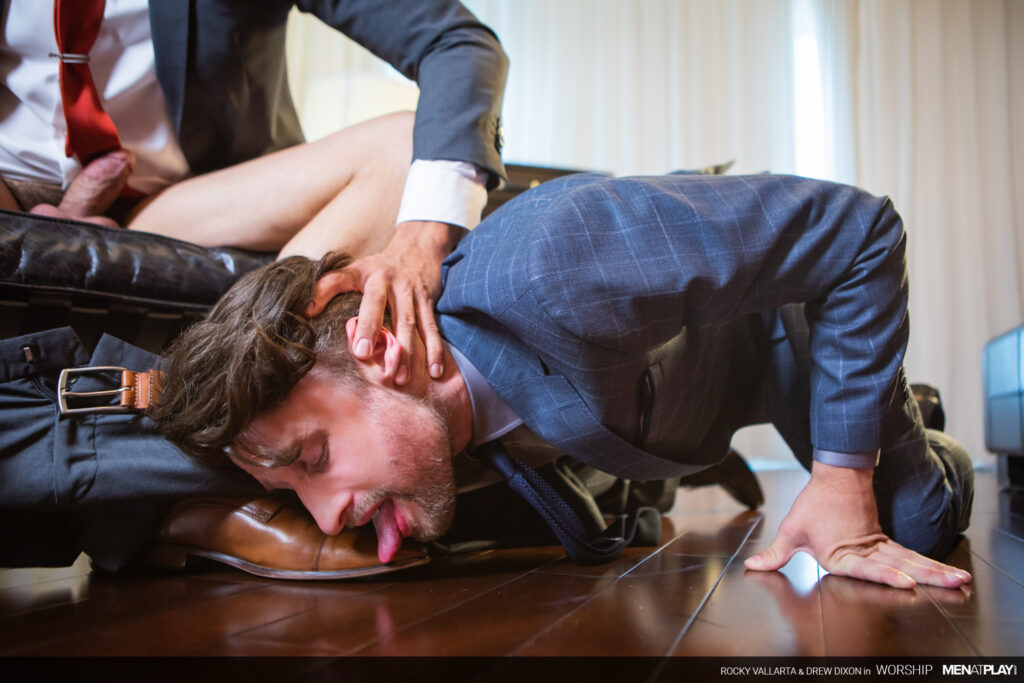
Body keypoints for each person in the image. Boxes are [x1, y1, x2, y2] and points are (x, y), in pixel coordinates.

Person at [153, 171, 975, 590]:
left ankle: (881, 399)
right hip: (698, 401)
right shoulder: (434, 428)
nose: (327, 516)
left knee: (917, 522)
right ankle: (874, 395)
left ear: (380, 349)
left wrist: (842, 472)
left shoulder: (552, 266)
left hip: (792, 322)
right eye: (297, 491)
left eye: (313, 457)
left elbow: (860, 231)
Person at [0, 0, 508, 385]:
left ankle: (233, 395)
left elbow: (456, 42)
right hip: (10, 183)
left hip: (183, 197)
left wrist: (422, 242)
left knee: (401, 144)